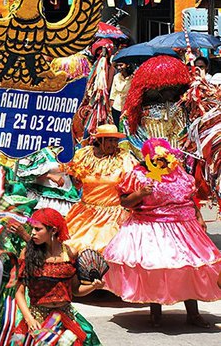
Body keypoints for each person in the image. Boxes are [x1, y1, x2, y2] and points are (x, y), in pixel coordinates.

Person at [104, 138, 221, 327]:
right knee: (156, 268)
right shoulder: (138, 175)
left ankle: (193, 314)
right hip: (152, 227)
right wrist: (140, 194)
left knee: (189, 268)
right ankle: (155, 314)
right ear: (149, 159)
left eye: (166, 157)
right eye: (158, 158)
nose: (163, 162)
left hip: (184, 227)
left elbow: (189, 198)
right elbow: (125, 202)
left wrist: (198, 216)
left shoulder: (178, 173)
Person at [15, 208, 103, 346]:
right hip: (38, 318)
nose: (32, 233)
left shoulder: (70, 253)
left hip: (66, 317)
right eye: (32, 228)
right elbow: (19, 292)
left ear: (53, 230)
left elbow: (75, 290)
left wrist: (93, 286)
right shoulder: (27, 254)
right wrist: (29, 319)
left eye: (38, 229)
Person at [63, 124, 137, 254]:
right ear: (99, 140)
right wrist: (76, 179)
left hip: (112, 217)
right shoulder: (83, 155)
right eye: (110, 140)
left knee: (104, 249)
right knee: (72, 247)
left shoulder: (124, 158)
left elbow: (132, 186)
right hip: (84, 214)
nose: (114, 145)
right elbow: (76, 182)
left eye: (116, 140)